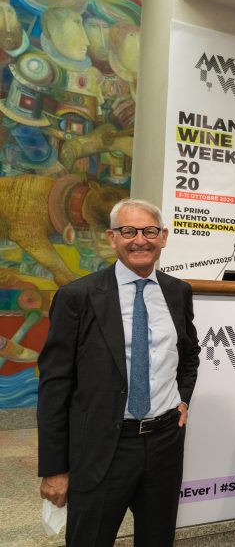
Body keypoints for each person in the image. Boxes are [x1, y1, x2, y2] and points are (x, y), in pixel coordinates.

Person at [37, 198, 200, 547]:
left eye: (149, 231)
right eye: (129, 231)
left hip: (164, 444)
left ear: (164, 237)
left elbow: (189, 355)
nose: (140, 240)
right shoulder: (77, 296)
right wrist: (53, 468)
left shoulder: (177, 292)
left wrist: (182, 398)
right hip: (102, 446)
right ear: (112, 238)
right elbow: (55, 386)